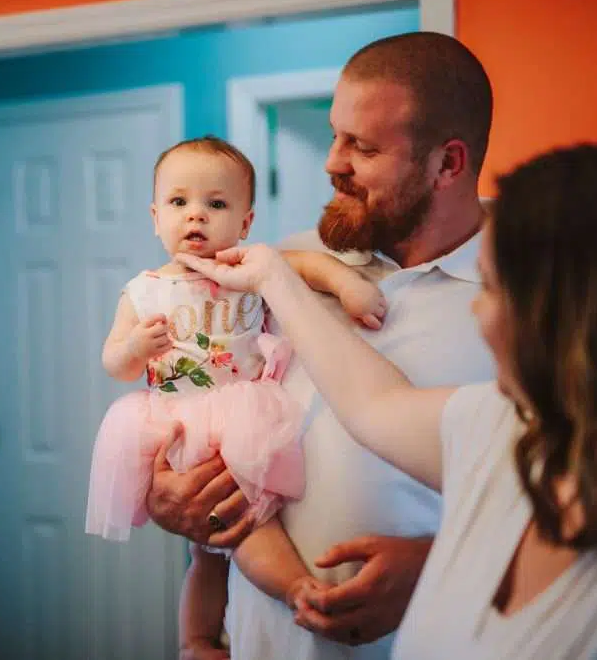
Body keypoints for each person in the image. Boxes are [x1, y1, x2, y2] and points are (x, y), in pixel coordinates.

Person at [180, 141, 597, 659]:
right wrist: (271, 274)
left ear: (563, 318)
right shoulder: (498, 430)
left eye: (488, 287)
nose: (474, 309)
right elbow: (371, 402)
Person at [147, 32, 498, 660]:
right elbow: (211, 416)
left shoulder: (533, 301)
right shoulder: (280, 266)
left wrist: (435, 564)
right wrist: (168, 499)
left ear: (448, 163)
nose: (332, 162)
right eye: (335, 135)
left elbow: (593, 509)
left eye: (361, 146)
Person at [83, 136, 386, 654]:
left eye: (216, 204)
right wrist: (134, 345)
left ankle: (285, 591)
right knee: (207, 550)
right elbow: (115, 362)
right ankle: (202, 637)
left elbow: (308, 268)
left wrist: (348, 287)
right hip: (178, 422)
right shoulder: (145, 289)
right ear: (156, 217)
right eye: (179, 203)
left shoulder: (248, 266)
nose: (195, 216)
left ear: (244, 222)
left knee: (243, 526)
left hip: (244, 412)